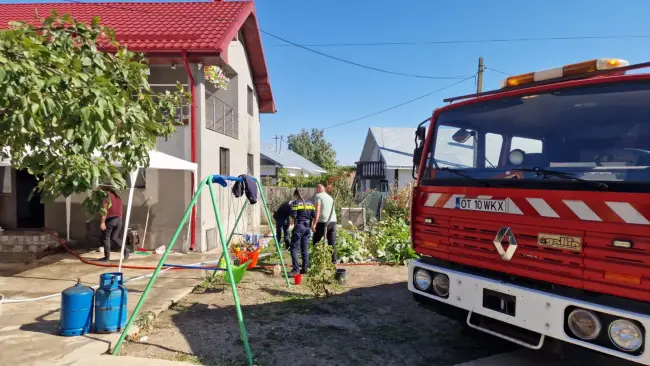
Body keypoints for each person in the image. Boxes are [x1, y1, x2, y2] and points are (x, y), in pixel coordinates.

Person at [97, 185, 130, 262]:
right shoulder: (118, 197)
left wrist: (102, 222)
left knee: (106, 238)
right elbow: (121, 209)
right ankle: (125, 250)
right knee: (114, 237)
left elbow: (104, 211)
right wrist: (120, 219)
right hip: (119, 219)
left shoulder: (106, 197)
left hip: (110, 219)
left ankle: (107, 257)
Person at [289, 189, 315, 277]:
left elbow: (294, 215)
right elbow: (314, 215)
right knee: (305, 249)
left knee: (294, 248)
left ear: (296, 195)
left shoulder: (295, 203)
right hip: (307, 228)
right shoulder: (311, 203)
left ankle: (296, 270)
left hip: (299, 227)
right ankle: (305, 269)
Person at [312, 184, 337, 264]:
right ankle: (334, 261)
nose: (316, 191)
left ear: (318, 189)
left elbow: (317, 210)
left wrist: (314, 223)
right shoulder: (330, 197)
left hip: (323, 221)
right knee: (332, 242)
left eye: (316, 190)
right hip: (333, 221)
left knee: (316, 240)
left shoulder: (318, 196)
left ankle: (316, 260)